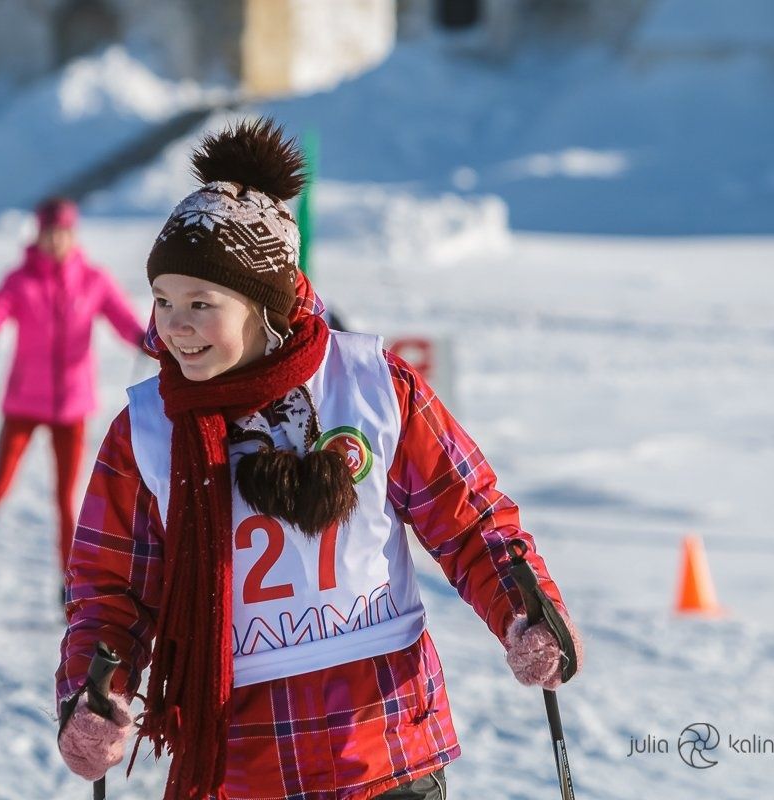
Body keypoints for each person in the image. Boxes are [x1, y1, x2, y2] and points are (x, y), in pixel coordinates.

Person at [54, 119, 583, 800]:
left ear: (263, 308)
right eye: (162, 301)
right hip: (239, 763)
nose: (174, 326)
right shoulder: (148, 432)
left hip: (386, 744)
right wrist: (93, 697)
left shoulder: (370, 388)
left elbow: (472, 520)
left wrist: (528, 610)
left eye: (201, 304)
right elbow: (108, 595)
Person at [0, 197, 147, 601]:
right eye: (49, 232)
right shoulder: (22, 278)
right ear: (39, 233)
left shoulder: (92, 279)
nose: (55, 240)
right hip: (23, 404)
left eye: (62, 232)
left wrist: (141, 337)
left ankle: (70, 581)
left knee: (67, 499)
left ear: (73, 234)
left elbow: (121, 316)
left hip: (72, 407)